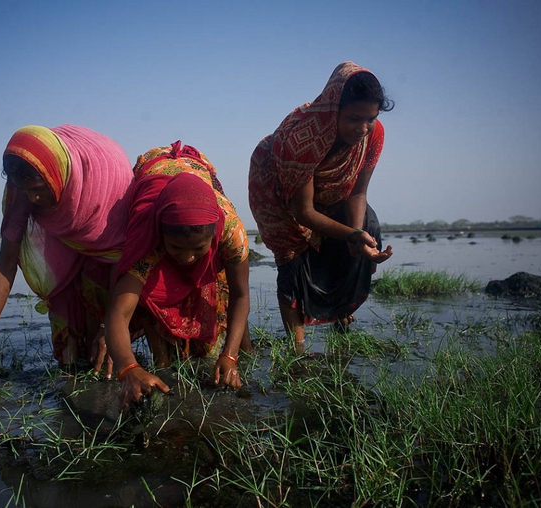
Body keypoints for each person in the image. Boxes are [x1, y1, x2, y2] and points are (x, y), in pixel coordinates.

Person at [0, 124, 133, 380]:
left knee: (103, 320)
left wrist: (109, 327)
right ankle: (72, 372)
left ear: (56, 174)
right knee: (70, 350)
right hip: (60, 242)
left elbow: (118, 257)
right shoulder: (22, 190)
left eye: (38, 189)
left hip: (106, 236)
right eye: (24, 189)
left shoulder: (110, 185)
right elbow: (6, 261)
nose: (31, 199)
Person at [248, 61, 394, 351]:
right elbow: (304, 212)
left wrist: (355, 239)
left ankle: (341, 313)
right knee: (292, 258)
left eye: (371, 118)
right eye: (354, 118)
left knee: (366, 227)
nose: (363, 128)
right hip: (277, 191)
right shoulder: (302, 138)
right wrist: (351, 235)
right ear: (333, 109)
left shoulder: (373, 135)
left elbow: (357, 194)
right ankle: (297, 349)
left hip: (332, 192)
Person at [104, 141, 251, 409]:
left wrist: (230, 356)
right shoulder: (148, 233)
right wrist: (128, 368)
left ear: (213, 236)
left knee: (217, 298)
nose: (187, 258)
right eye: (177, 249)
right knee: (151, 300)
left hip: (199, 176)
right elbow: (119, 311)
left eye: (198, 249)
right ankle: (162, 361)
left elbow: (241, 294)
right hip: (154, 176)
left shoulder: (231, 231)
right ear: (162, 236)